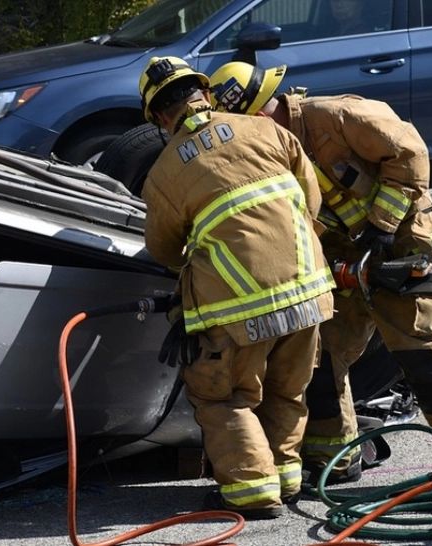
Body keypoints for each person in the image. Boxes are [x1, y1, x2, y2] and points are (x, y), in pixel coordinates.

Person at [207, 61, 432, 483]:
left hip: (400, 245)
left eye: (256, 117)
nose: (254, 130)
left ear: (269, 105)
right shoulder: (271, 152)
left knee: (420, 349)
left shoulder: (336, 117)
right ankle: (336, 460)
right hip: (349, 263)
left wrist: (381, 226)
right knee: (320, 355)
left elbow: (410, 152)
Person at [138, 56, 336, 519]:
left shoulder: (165, 172)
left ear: (160, 118)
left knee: (224, 397)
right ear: (203, 94)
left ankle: (252, 492)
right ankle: (287, 480)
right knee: (288, 391)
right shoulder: (265, 130)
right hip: (310, 292)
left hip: (236, 309)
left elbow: (164, 249)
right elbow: (312, 200)